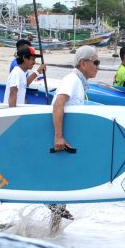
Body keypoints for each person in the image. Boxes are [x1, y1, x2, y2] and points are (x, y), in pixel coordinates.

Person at [47, 45, 100, 223]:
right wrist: (58, 136)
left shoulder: (79, 82)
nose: (98, 67)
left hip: (68, 141)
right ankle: (54, 214)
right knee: (61, 183)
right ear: (83, 63)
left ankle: (52, 235)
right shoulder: (72, 80)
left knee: (63, 186)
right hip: (61, 140)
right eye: (96, 62)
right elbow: (58, 104)